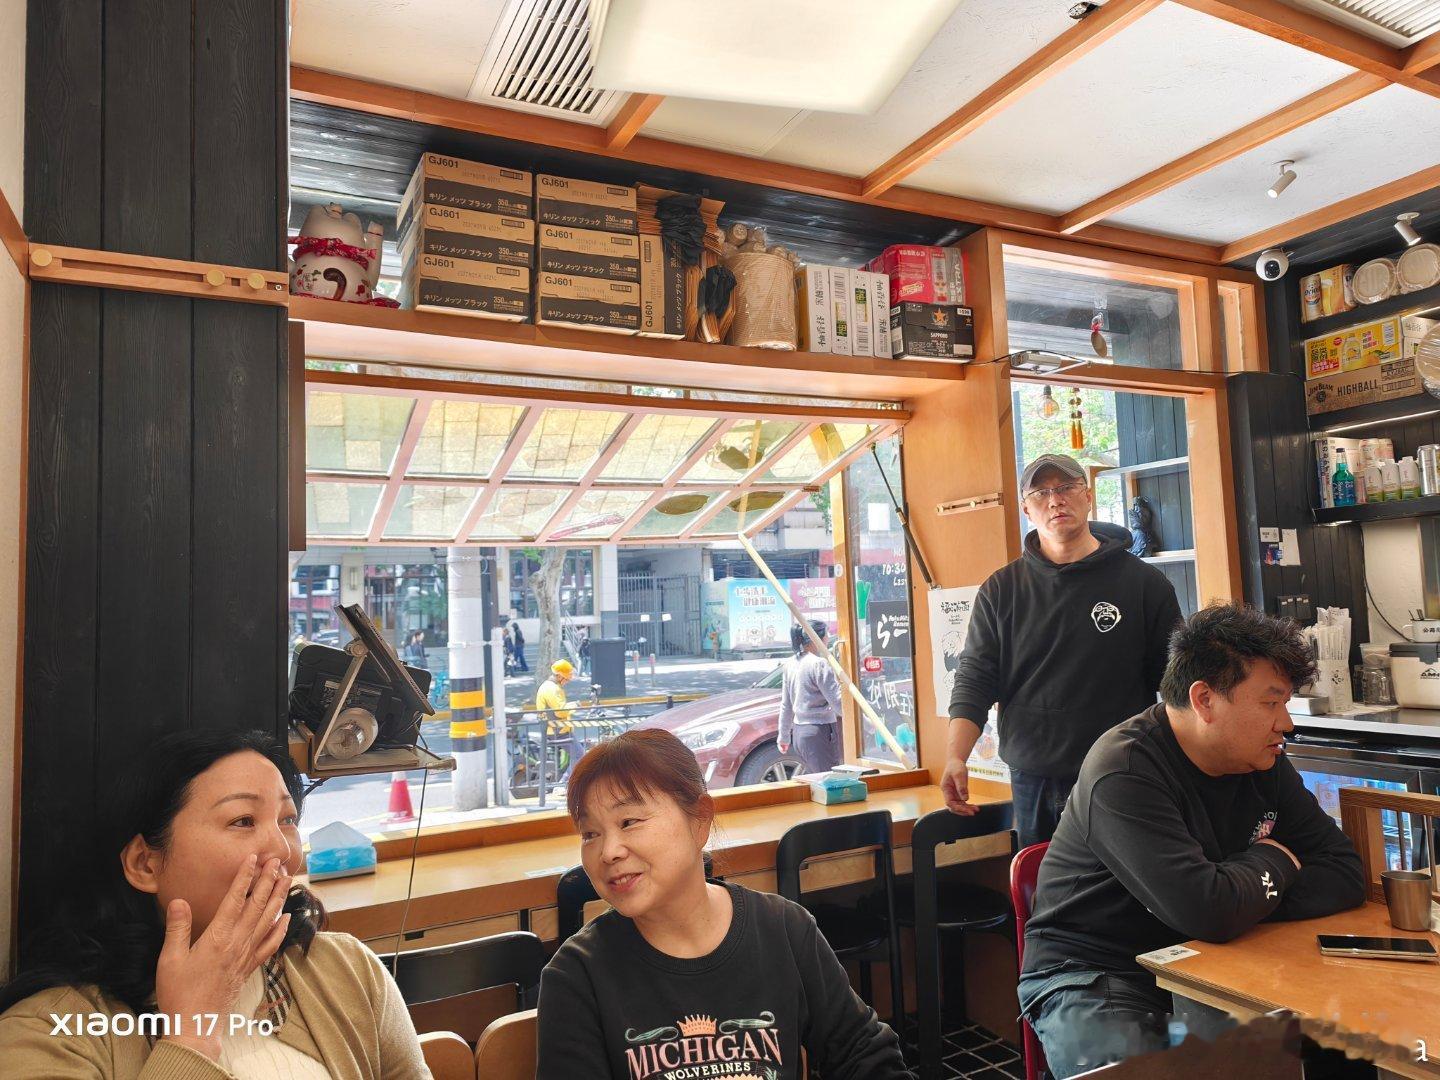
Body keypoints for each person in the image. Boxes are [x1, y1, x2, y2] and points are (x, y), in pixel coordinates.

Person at [1019, 603, 1367, 1078]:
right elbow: (1207, 910)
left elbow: (1344, 871)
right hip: (1097, 971)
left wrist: (1236, 898)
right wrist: (1274, 862)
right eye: (1271, 703)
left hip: (1217, 953)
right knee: (1139, 1073)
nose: (1285, 723)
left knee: (1350, 1043)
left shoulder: (1261, 760)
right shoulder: (1124, 769)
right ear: (1204, 699)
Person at [0, 729, 428, 1077]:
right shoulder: (48, 1033)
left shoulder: (346, 969)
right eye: (243, 821)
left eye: (288, 820)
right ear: (145, 864)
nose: (283, 850)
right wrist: (191, 1035)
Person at [536, 730, 912, 1080]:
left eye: (629, 821)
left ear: (699, 821)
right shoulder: (576, 976)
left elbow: (866, 1056)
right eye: (590, 833)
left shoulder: (783, 929)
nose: (608, 852)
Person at [944, 453, 1183, 847]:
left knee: (1124, 884)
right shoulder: (1001, 590)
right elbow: (975, 679)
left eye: (1067, 487)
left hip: (1122, 773)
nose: (1055, 500)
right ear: (1026, 509)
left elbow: (1177, 683)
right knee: (1039, 882)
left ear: (1087, 496)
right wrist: (956, 756)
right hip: (1032, 780)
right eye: (1041, 493)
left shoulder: (1145, 584)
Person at [778, 620, 845, 774]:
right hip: (819, 733)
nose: (828, 638)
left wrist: (783, 736)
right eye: (827, 634)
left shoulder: (790, 664)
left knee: (816, 780)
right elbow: (839, 703)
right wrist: (868, 725)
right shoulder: (819, 664)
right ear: (818, 639)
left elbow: (786, 705)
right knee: (828, 781)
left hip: (799, 734)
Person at [537, 658, 575, 737]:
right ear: (559, 676)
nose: (567, 682)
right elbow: (560, 712)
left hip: (556, 730)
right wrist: (575, 705)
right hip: (558, 732)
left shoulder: (550, 686)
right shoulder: (552, 689)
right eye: (566, 679)